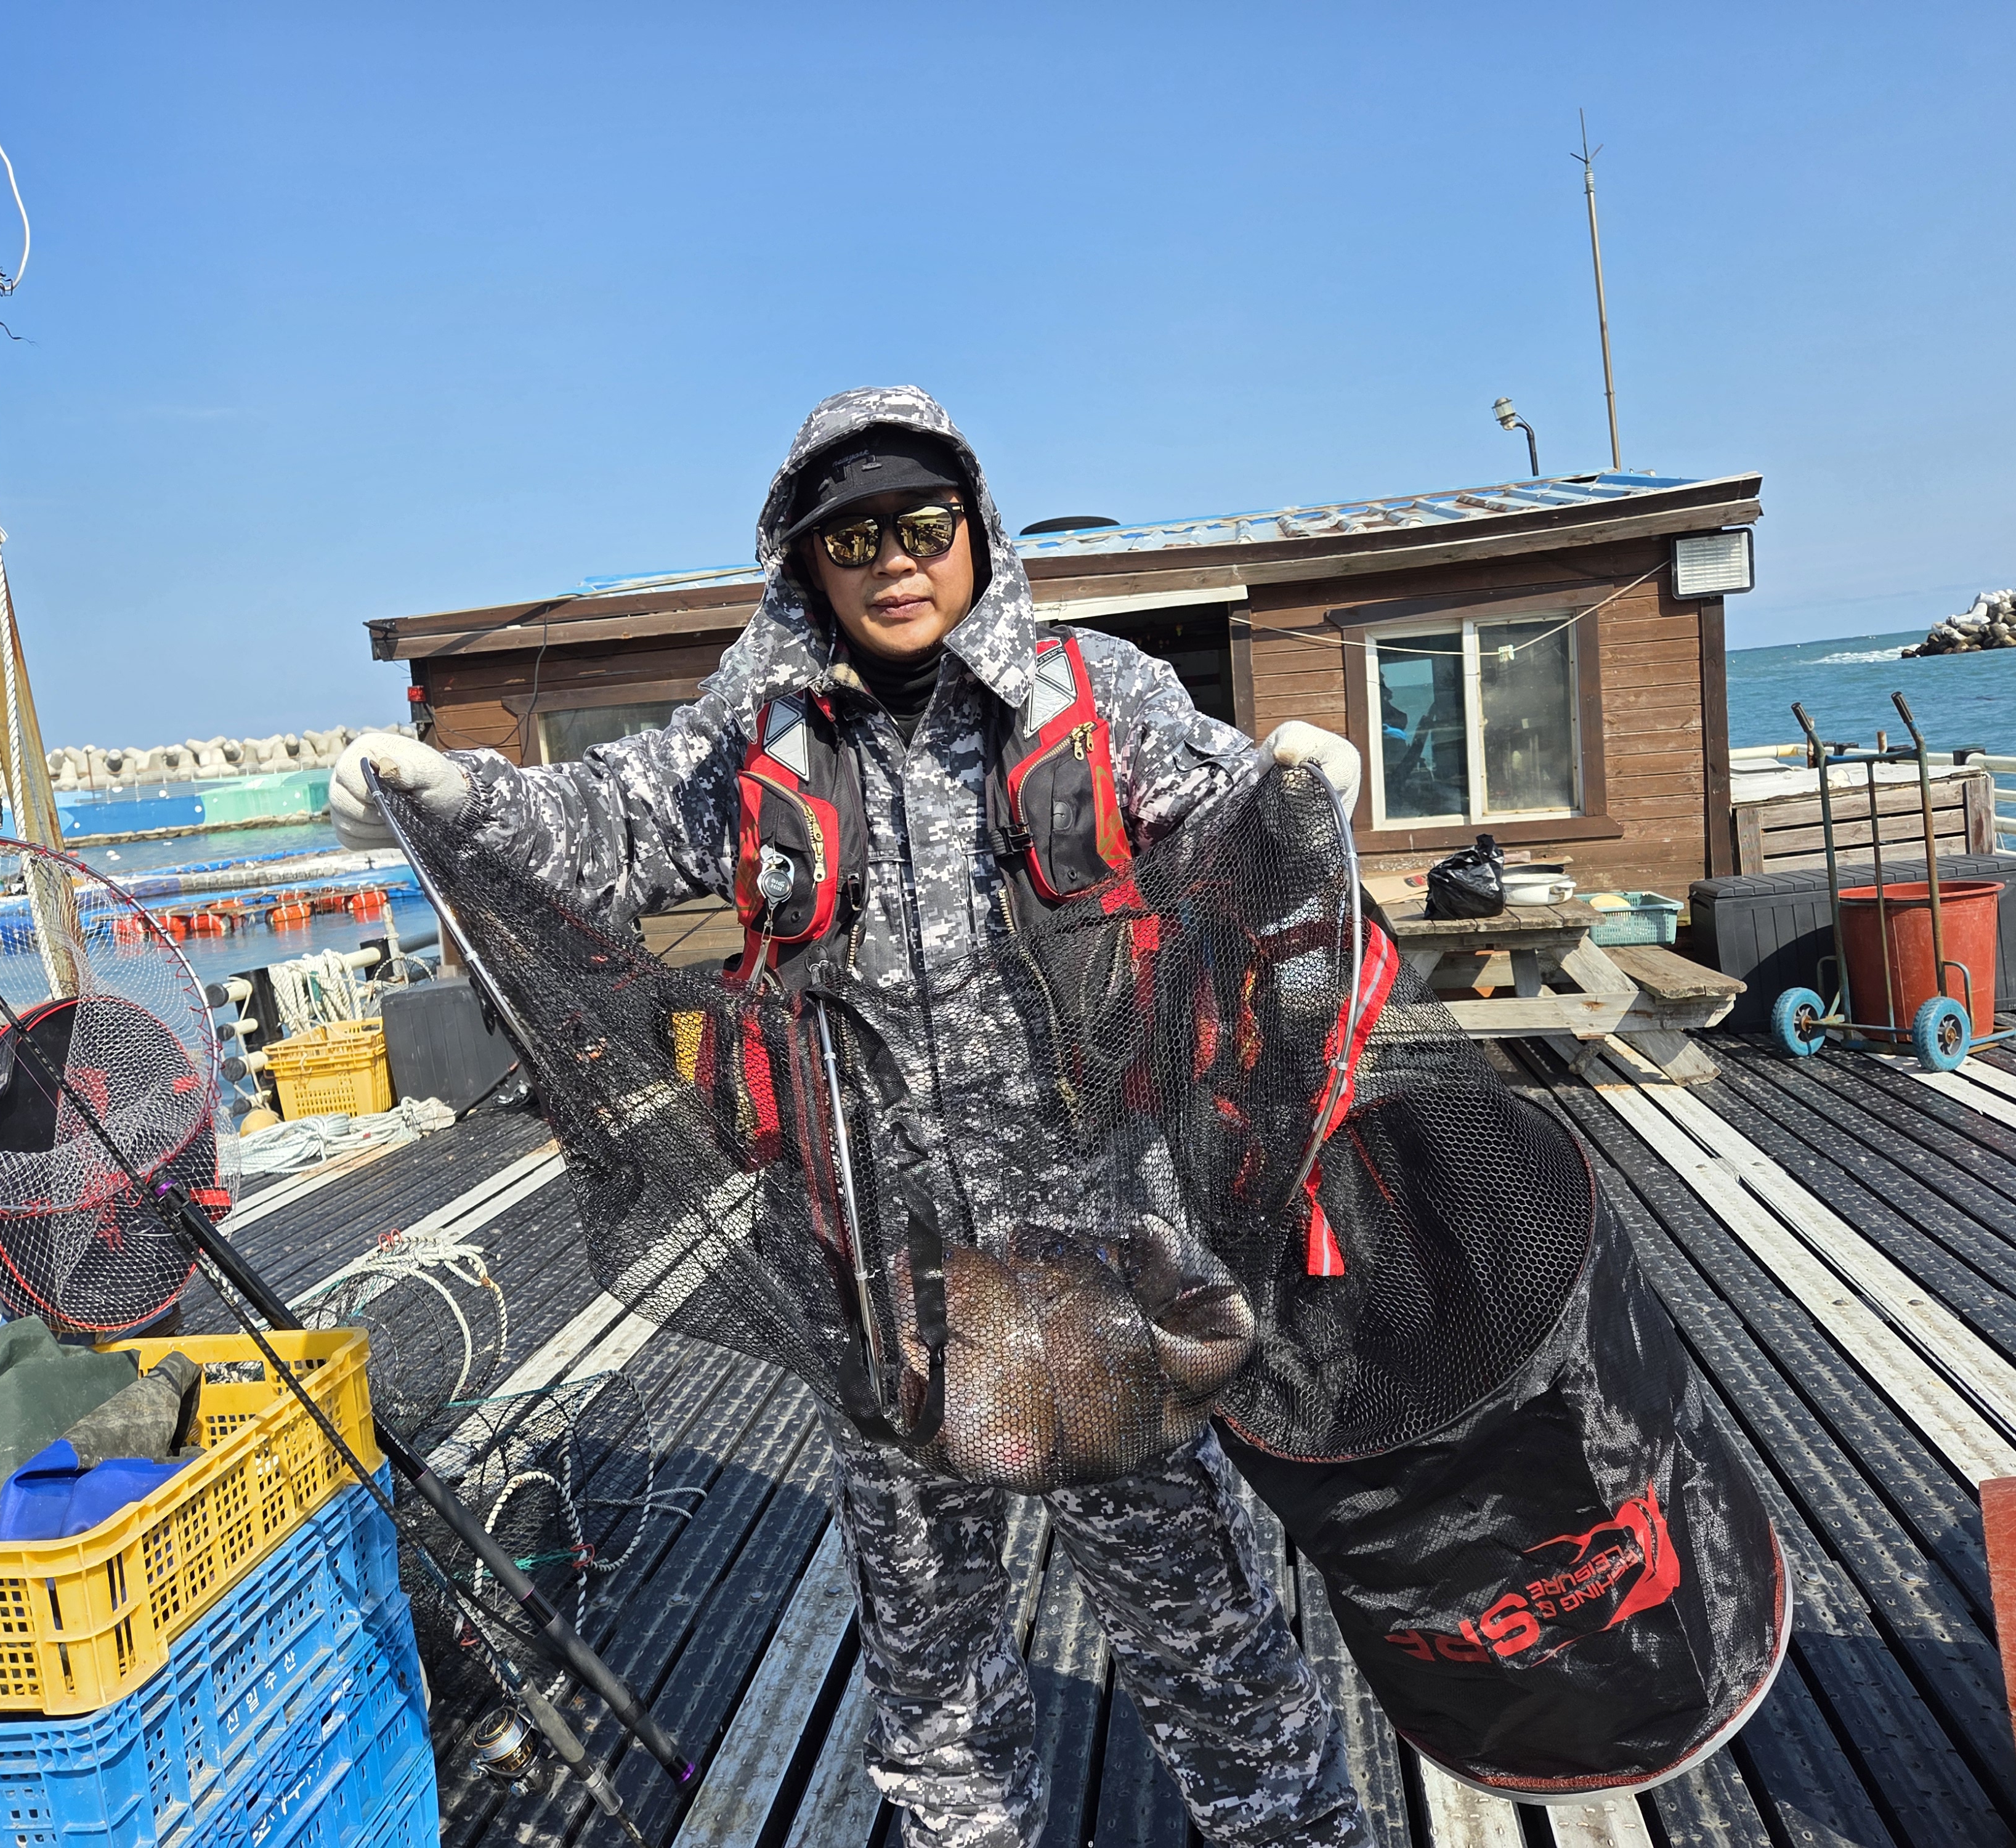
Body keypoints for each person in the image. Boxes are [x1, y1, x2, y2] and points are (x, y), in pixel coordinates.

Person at [334, 387, 1367, 1847]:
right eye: (851, 538)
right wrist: (452, 797)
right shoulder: (754, 737)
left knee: (1200, 1622)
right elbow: (602, 828)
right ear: (805, 565)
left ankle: (1290, 1829)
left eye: (921, 525)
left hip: (1097, 1276)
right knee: (931, 1656)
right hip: (879, 1288)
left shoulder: (1096, 693)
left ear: (975, 528)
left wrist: (1299, 796)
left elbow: (1230, 824)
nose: (893, 562)